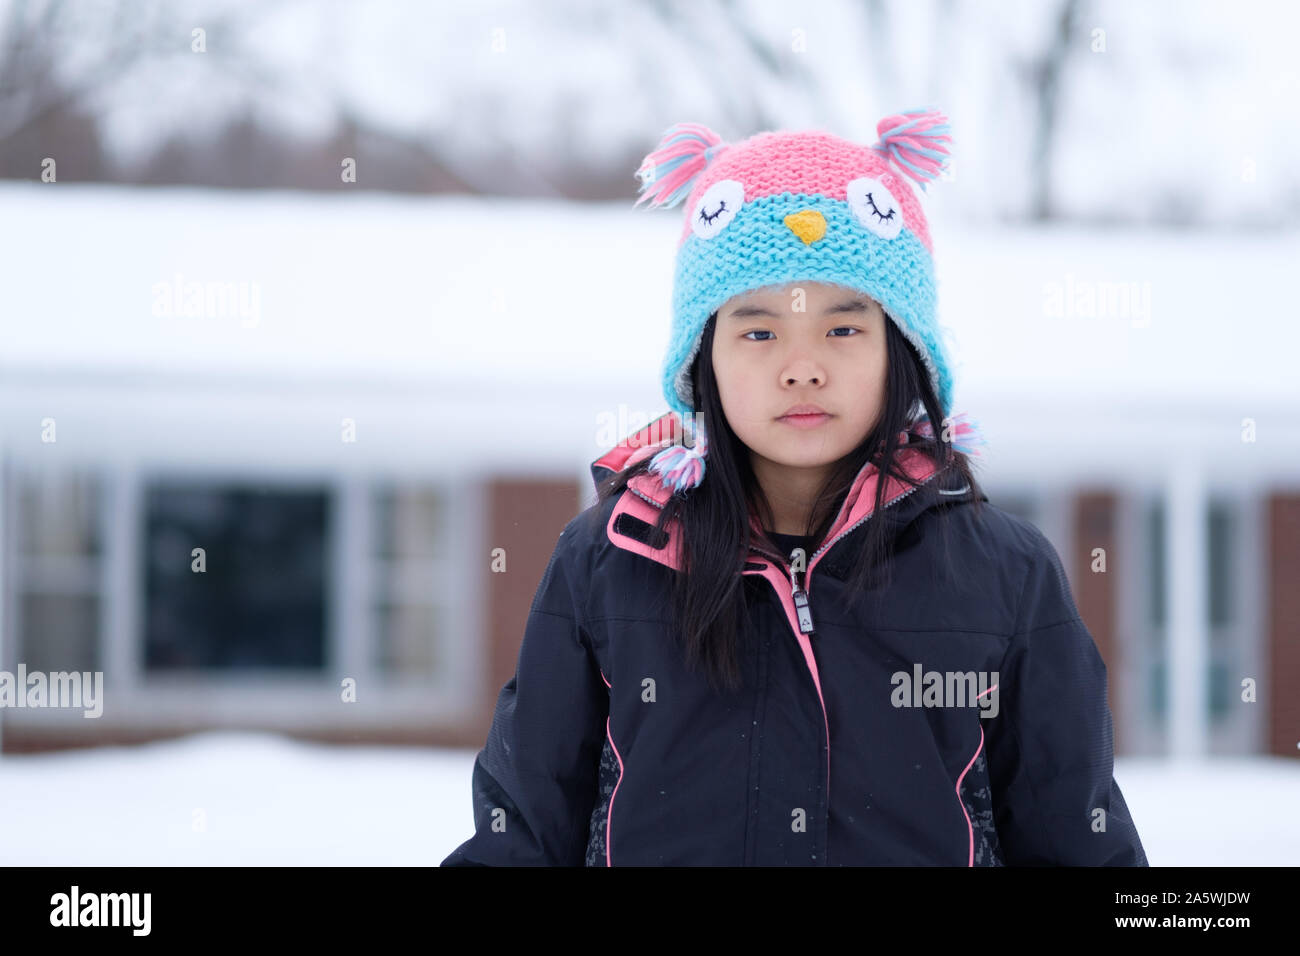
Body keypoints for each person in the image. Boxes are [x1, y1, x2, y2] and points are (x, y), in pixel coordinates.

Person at [441, 108, 1148, 866]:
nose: (802, 366)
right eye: (758, 330)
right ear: (703, 356)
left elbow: (1079, 838)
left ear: (901, 350)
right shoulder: (610, 559)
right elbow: (522, 831)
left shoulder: (1006, 576)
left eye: (844, 329)